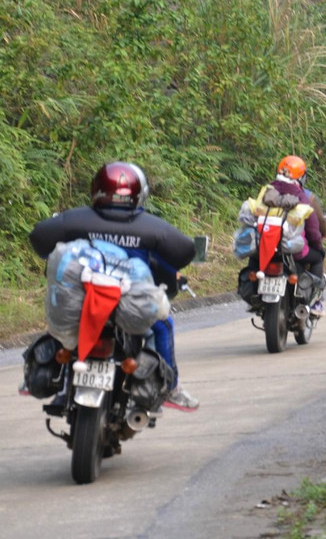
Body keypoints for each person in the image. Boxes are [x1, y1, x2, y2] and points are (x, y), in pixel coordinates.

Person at [28, 161, 200, 412]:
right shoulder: (153, 229)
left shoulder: (74, 220)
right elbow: (183, 252)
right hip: (129, 303)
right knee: (163, 326)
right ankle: (171, 388)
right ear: (139, 194)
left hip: (85, 299)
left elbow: (40, 240)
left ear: (96, 190)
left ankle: (55, 383)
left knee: (62, 322)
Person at [239, 155, 326, 315]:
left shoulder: (267, 191)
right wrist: (318, 246)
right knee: (318, 257)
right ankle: (314, 302)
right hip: (294, 251)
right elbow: (314, 230)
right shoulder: (304, 197)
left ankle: (255, 295)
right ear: (302, 177)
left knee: (255, 259)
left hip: (264, 247)